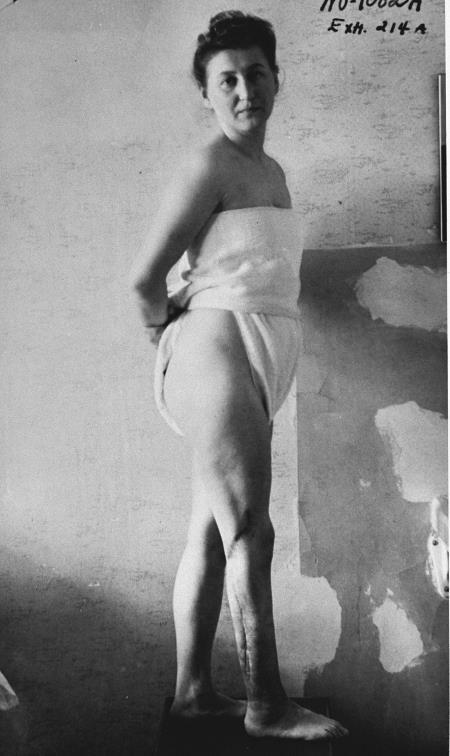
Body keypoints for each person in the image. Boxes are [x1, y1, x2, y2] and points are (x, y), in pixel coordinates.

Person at [130, 10, 347, 741]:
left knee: (212, 529)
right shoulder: (211, 165)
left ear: (277, 79)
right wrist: (169, 338)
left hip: (259, 353)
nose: (244, 90)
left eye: (256, 73)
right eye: (227, 80)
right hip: (215, 349)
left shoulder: (272, 172)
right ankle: (266, 704)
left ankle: (193, 693)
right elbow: (143, 279)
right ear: (206, 93)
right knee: (252, 528)